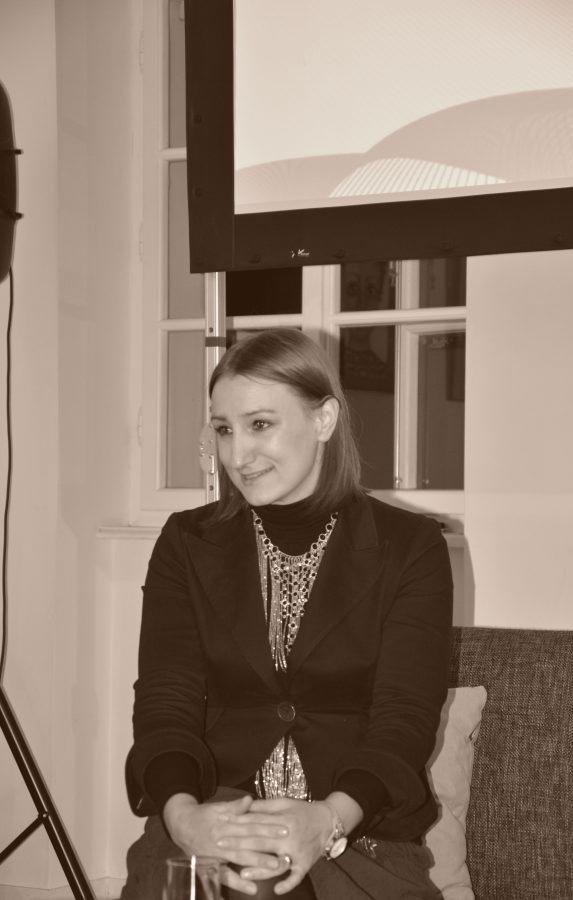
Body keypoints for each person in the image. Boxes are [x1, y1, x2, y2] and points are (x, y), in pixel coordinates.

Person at [122, 328, 453, 899]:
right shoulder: (187, 543)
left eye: (260, 424)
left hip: (353, 828)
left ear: (324, 419)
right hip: (215, 813)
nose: (237, 455)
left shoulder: (409, 547)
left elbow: (404, 718)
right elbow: (164, 700)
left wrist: (327, 820)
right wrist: (183, 819)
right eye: (224, 429)